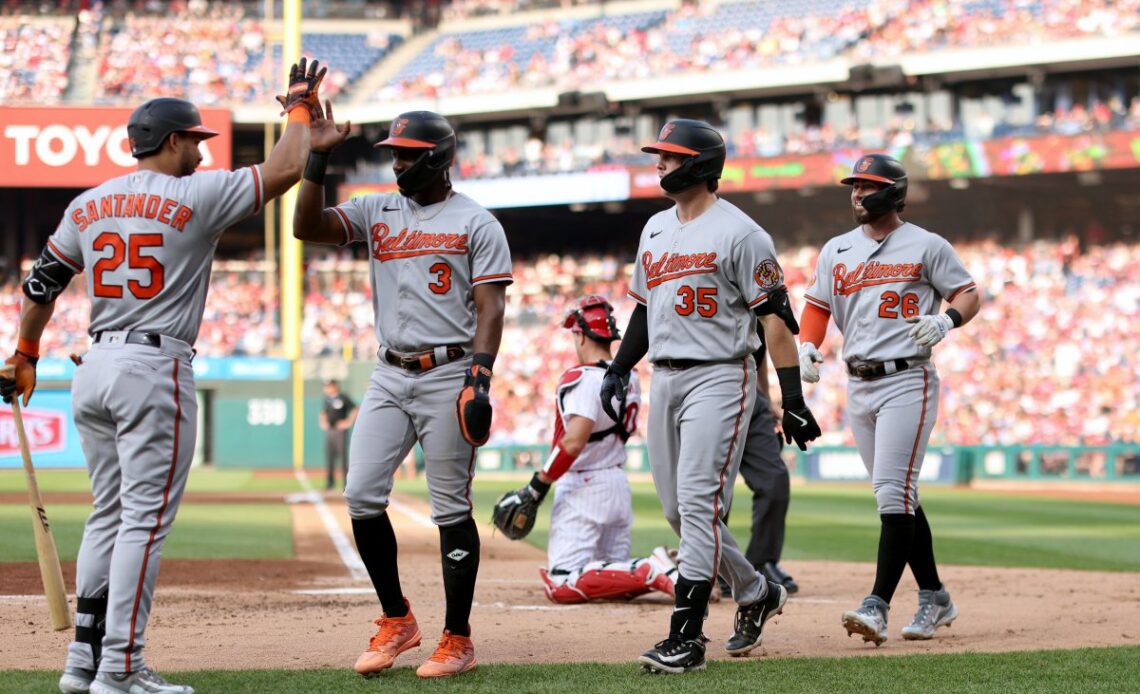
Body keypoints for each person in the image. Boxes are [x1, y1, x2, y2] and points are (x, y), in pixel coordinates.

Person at [0, 58, 328, 694]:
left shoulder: (88, 203)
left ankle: (82, 664)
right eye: (196, 142)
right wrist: (298, 107)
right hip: (153, 366)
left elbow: (41, 283)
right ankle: (121, 666)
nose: (202, 154)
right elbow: (289, 167)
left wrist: (26, 353)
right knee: (144, 524)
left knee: (108, 515)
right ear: (172, 141)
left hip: (93, 367)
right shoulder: (195, 196)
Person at [292, 109, 512, 679]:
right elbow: (306, 227)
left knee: (449, 508)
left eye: (408, 153)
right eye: (394, 152)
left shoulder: (476, 221)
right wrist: (318, 156)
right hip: (390, 371)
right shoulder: (376, 209)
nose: (397, 162)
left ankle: (458, 638)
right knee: (362, 492)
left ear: (437, 157)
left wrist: (480, 376)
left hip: (449, 369)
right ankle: (398, 619)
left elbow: (492, 306)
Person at [598, 119, 822, 674]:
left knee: (698, 503)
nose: (659, 164)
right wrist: (620, 367)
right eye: (660, 156)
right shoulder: (653, 229)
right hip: (666, 376)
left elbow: (776, 321)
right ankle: (756, 591)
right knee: (679, 511)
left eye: (670, 157)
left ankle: (687, 637)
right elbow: (646, 310)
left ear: (699, 164)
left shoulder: (743, 233)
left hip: (721, 374)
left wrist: (791, 398)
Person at [797, 153, 980, 646]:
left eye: (867, 186)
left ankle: (876, 603)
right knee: (900, 496)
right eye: (853, 186)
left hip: (907, 378)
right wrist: (809, 344)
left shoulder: (926, 244)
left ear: (893, 192)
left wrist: (947, 320)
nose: (857, 193)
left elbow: (967, 293)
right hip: (858, 383)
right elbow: (816, 304)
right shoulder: (836, 250)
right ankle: (935, 596)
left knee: (892, 495)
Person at [492, 295, 678, 604]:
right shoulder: (629, 376)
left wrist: (537, 486)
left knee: (561, 583)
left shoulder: (580, 378)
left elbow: (573, 441)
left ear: (580, 334)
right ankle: (673, 570)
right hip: (616, 482)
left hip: (584, 487)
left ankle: (650, 567)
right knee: (614, 579)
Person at [719, 327, 799, 598]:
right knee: (716, 486)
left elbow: (758, 355)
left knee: (775, 480)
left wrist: (765, 399)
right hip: (714, 393)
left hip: (753, 401)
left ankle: (759, 564)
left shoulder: (762, 296)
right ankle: (716, 566)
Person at [320, 379, 357, 491]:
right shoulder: (327, 399)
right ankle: (330, 483)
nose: (327, 389)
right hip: (330, 430)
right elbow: (323, 413)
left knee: (343, 458)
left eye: (329, 386)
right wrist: (323, 422)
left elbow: (355, 409)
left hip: (340, 431)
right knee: (329, 457)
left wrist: (348, 422)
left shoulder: (343, 397)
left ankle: (346, 484)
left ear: (335, 386)